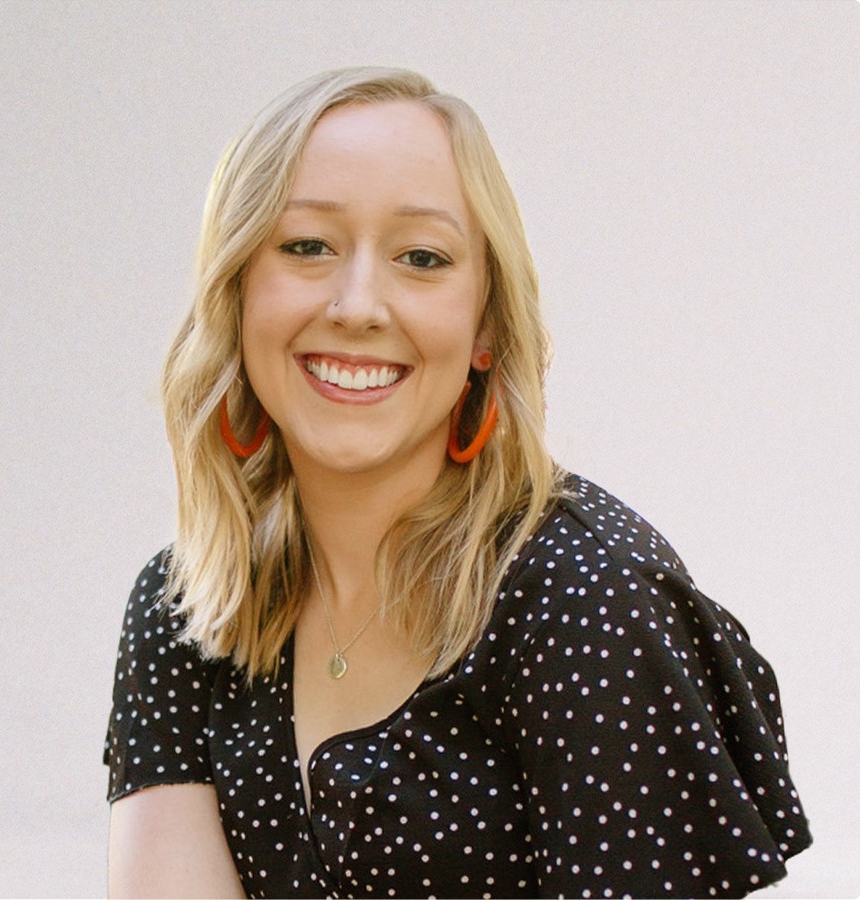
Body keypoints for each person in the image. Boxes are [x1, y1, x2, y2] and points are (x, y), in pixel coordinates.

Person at [104, 67, 811, 899]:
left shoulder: (589, 602)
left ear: (485, 328)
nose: (357, 305)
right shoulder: (189, 610)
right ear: (234, 294)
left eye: (422, 258)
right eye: (307, 246)